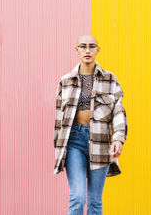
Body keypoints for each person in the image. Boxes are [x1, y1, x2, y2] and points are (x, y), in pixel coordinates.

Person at [54, 34, 128, 215]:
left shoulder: (110, 79)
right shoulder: (65, 81)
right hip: (74, 142)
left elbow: (118, 110)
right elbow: (59, 120)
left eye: (92, 46)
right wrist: (59, 149)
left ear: (97, 50)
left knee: (95, 200)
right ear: (77, 50)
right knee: (77, 197)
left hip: (100, 142)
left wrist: (118, 138)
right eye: (83, 46)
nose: (88, 50)